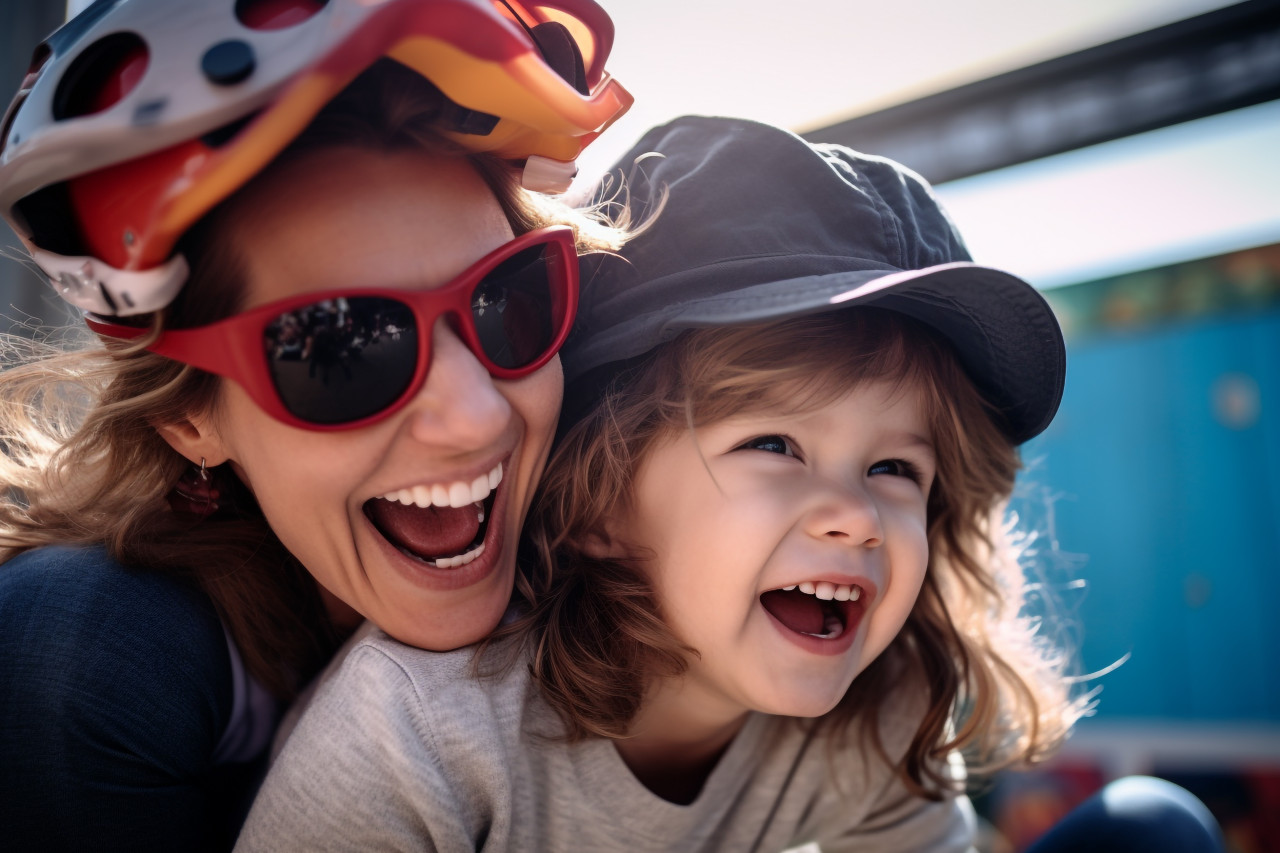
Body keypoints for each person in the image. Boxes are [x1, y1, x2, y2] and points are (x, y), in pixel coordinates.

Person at [237, 115, 1194, 851]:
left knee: (1153, 825)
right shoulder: (422, 736)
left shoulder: (878, 718)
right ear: (601, 493)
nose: (855, 516)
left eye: (896, 467)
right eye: (774, 443)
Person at [0, 1, 633, 848]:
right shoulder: (85, 657)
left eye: (508, 300)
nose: (476, 416)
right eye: (339, 346)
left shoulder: (626, 518)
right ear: (189, 419)